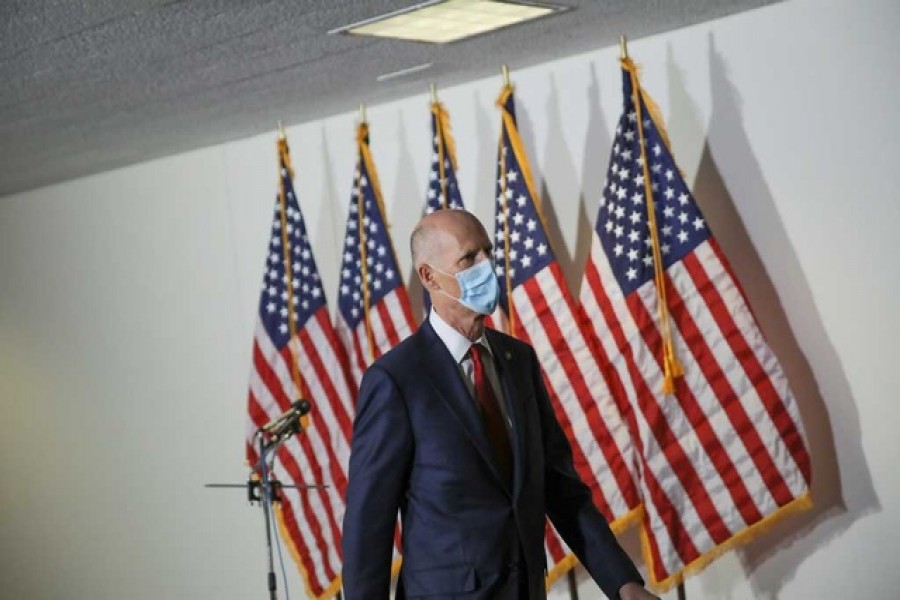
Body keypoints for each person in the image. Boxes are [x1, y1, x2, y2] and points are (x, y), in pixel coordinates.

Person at [342, 209, 657, 600]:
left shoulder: (519, 361)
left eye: (488, 252)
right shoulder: (397, 380)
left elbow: (560, 488)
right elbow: (368, 525)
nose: (487, 266)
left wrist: (624, 584)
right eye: (469, 258)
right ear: (429, 277)